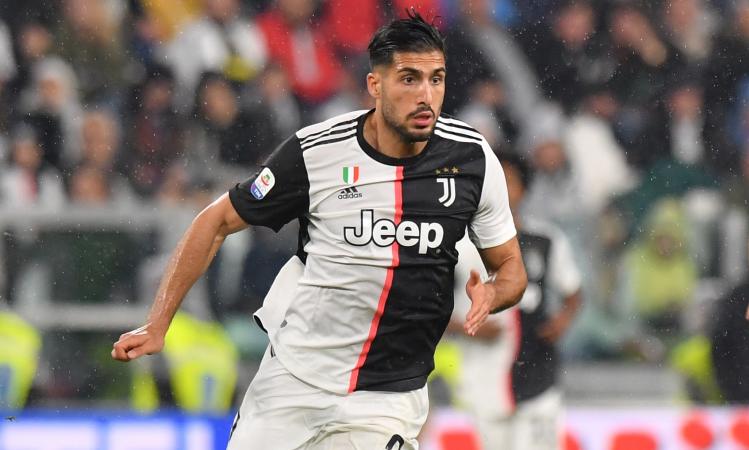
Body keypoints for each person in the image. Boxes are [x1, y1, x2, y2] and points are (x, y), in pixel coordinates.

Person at [111, 11, 527, 449]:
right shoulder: (317, 151)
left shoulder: (472, 160)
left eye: (436, 79)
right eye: (409, 79)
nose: (426, 95)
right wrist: (157, 323)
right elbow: (215, 220)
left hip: (387, 397)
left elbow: (511, 268)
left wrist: (493, 294)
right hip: (295, 380)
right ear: (375, 85)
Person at [449, 153, 581, 450]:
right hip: (483, 374)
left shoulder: (546, 240)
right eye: (494, 181)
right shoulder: (459, 244)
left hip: (537, 368)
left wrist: (562, 320)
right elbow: (430, 307)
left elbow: (573, 292)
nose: (501, 189)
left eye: (509, 181)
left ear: (525, 188)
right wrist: (465, 327)